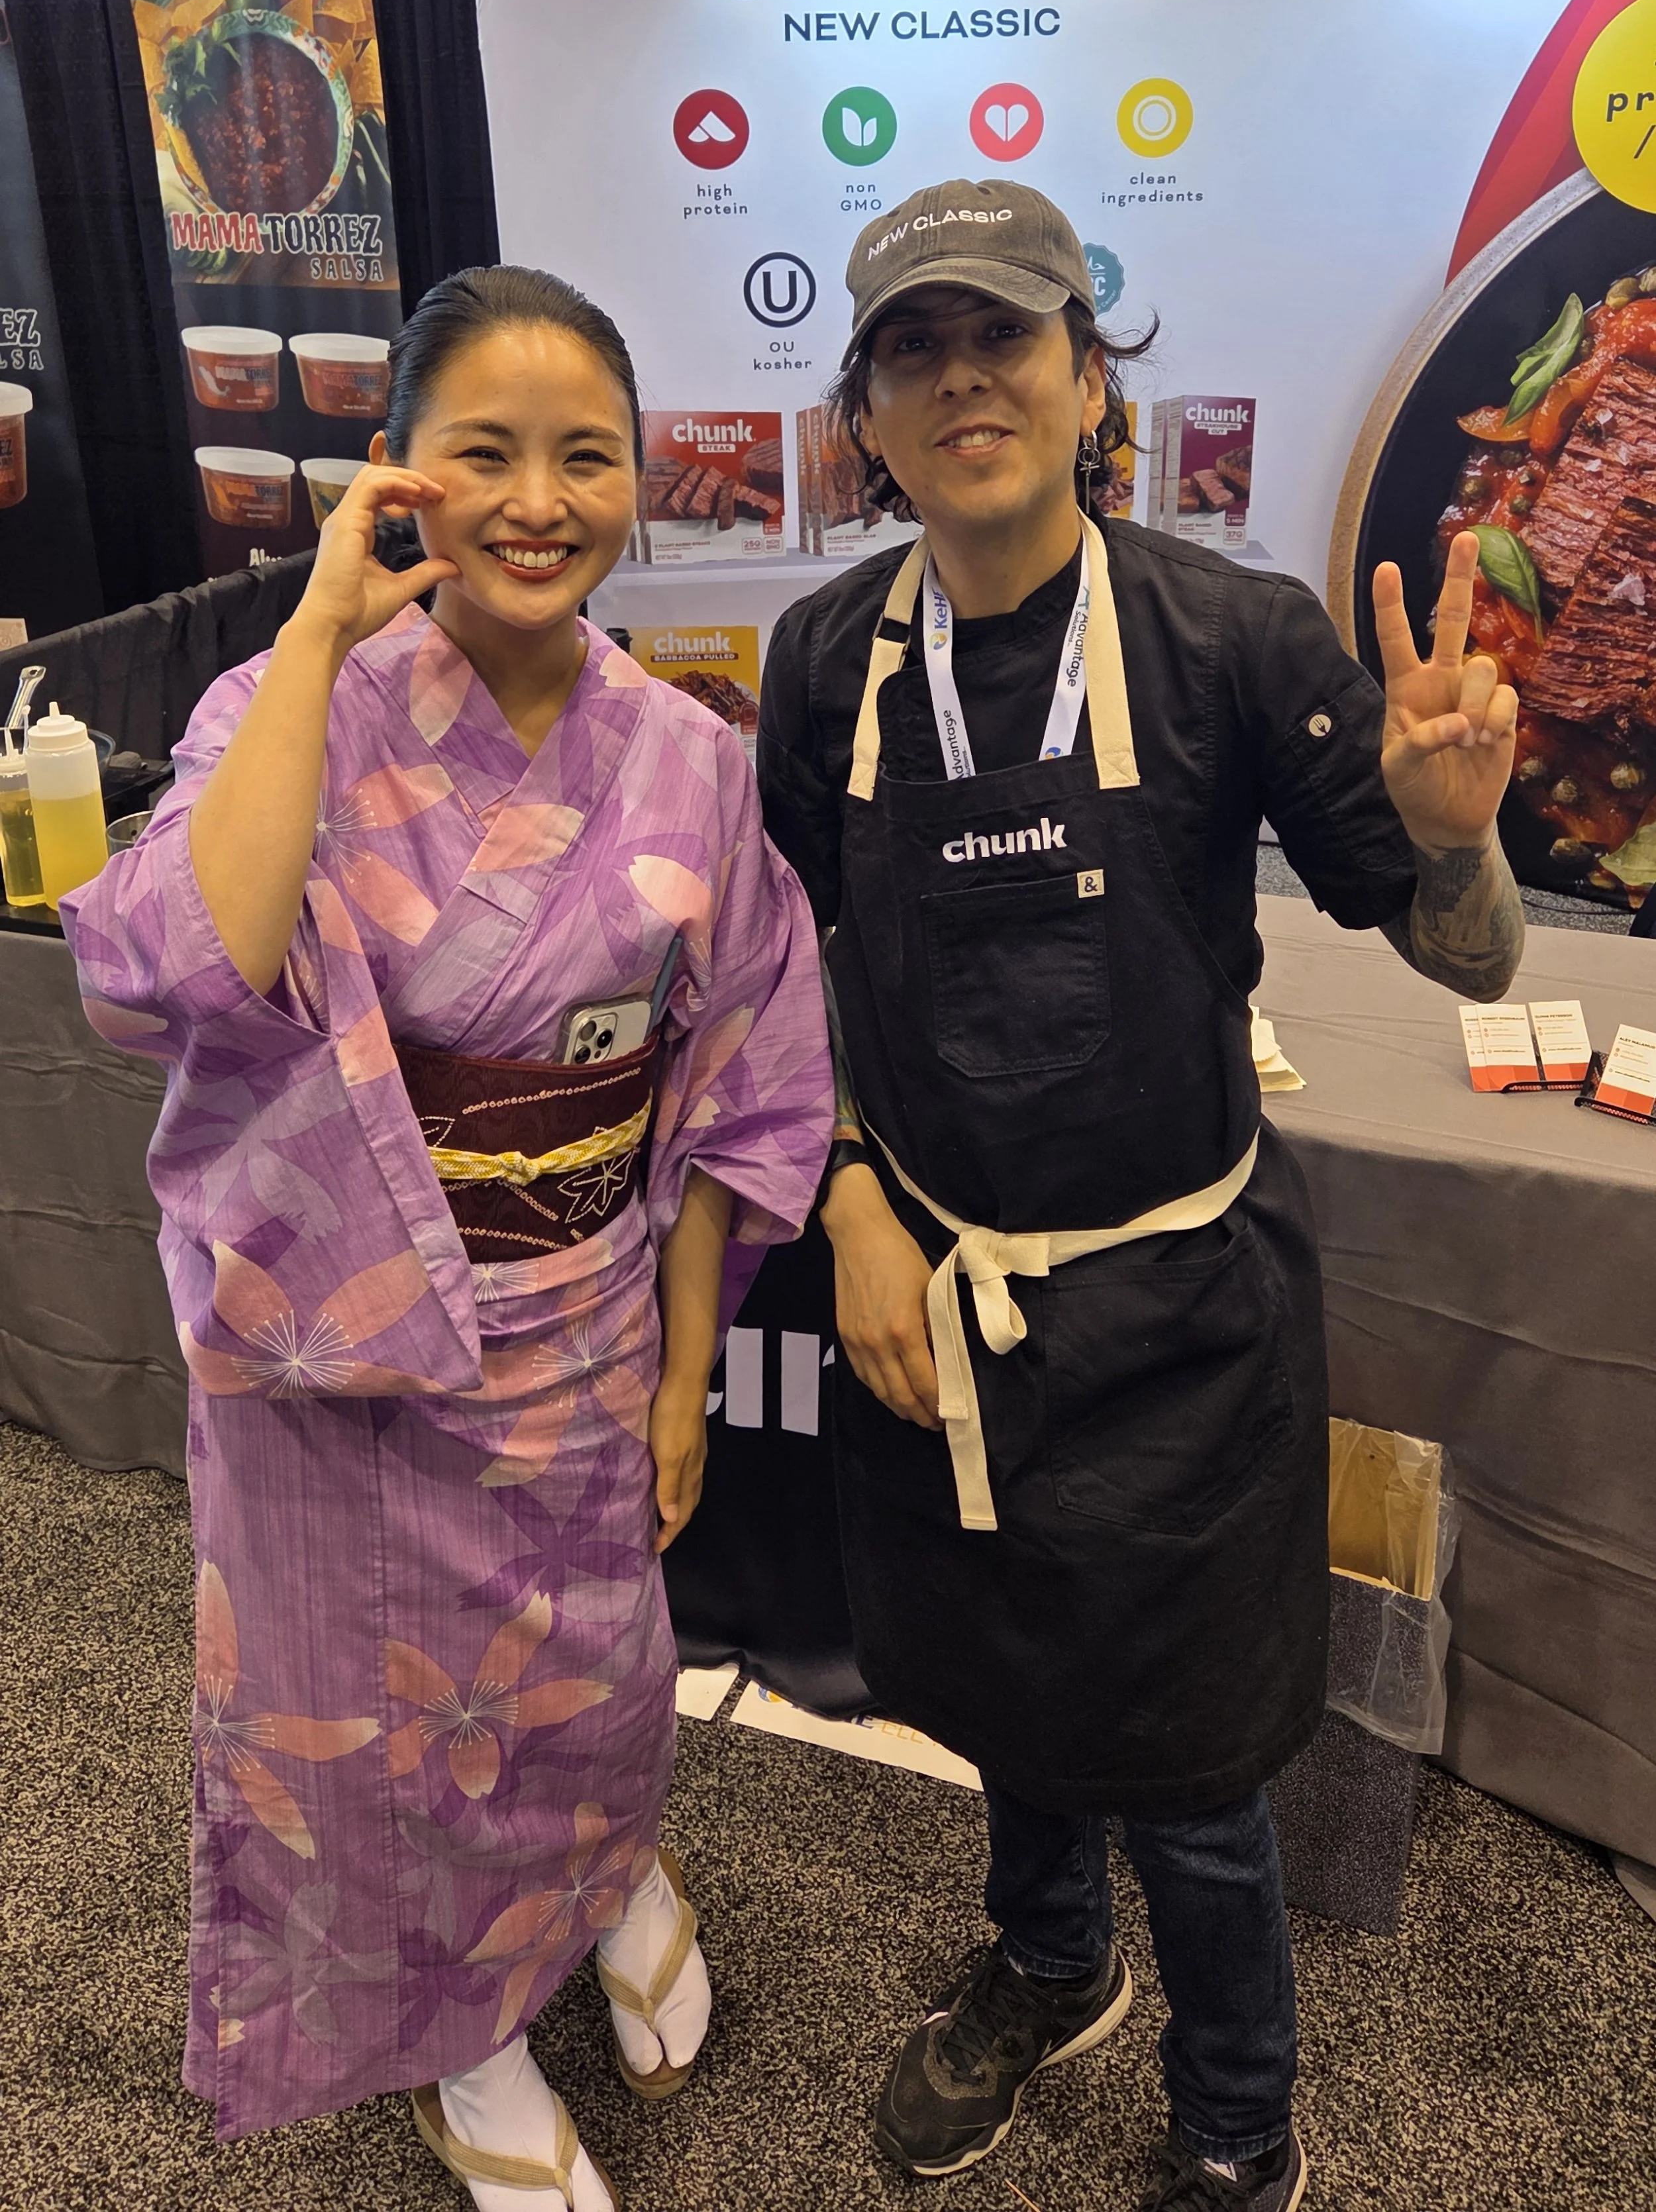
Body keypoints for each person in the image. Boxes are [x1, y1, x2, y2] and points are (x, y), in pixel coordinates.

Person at [757, 179, 1523, 2212]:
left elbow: (1463, 961)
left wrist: (1457, 840)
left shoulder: (1225, 639)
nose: (959, 381)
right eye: (911, 352)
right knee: (1000, 1698)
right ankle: (1043, 1966)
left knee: (1191, 1773)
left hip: (1180, 1313)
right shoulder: (826, 658)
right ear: (872, 416)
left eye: (1000, 338)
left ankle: (1238, 2115)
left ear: (1087, 380)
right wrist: (846, 1196)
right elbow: (791, 968)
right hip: (937, 1285)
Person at [62, 266, 831, 2212]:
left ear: (636, 482)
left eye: (585, 456)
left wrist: (678, 1379)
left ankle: (598, 1877)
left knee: (582, 1678)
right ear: (399, 470)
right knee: (366, 1745)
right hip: (332, 1354)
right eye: (482, 451)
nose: (536, 500)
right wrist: (320, 638)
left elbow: (732, 1084)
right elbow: (175, 974)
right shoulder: (286, 705)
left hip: (575, 1322)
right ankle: (456, 2034)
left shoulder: (691, 761)